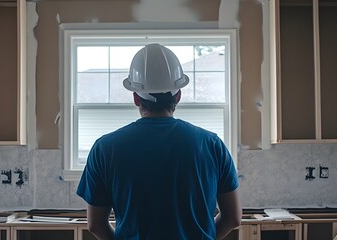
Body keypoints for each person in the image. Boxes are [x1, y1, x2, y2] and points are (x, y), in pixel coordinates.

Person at [76, 43, 241, 240]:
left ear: (136, 98)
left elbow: (95, 225)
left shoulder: (104, 149)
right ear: (178, 95)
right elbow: (232, 218)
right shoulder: (212, 145)